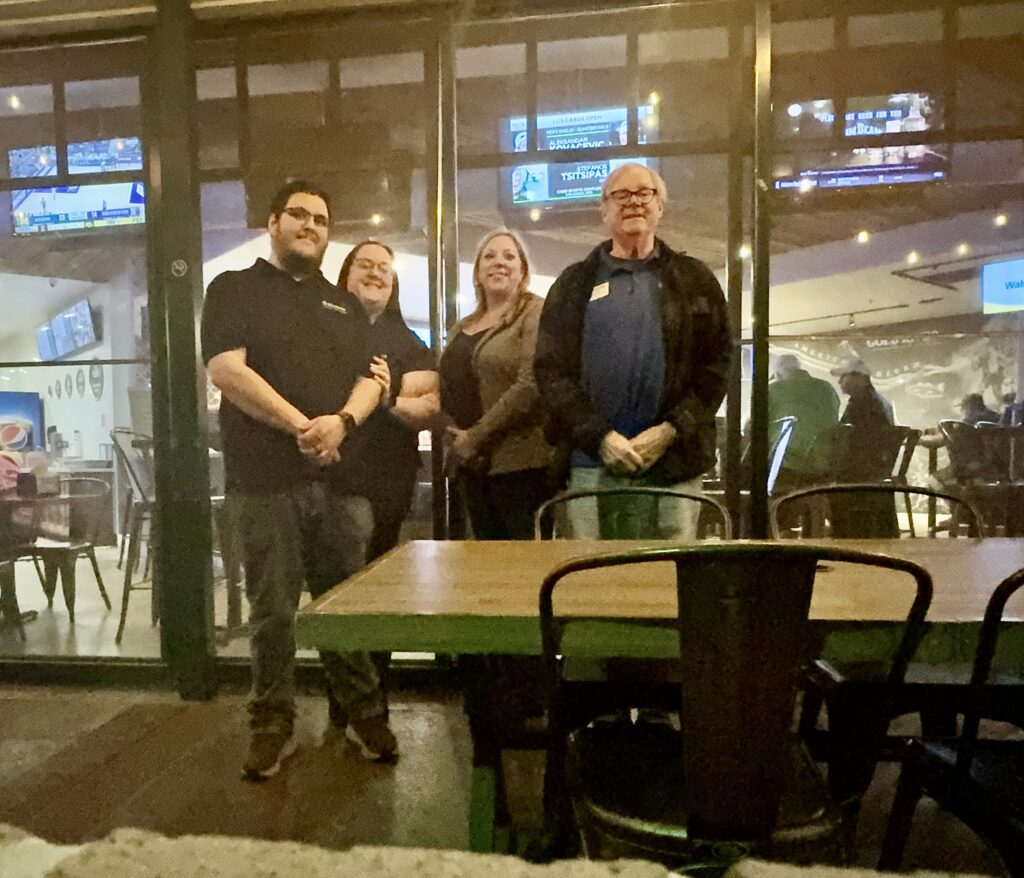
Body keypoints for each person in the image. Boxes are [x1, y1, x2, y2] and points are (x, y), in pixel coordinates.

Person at [201, 179, 397, 781]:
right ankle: (272, 724)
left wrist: (342, 422)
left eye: (321, 219)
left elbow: (373, 380)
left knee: (344, 611)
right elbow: (226, 371)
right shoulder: (232, 288)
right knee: (273, 614)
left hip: (337, 483)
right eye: (299, 215)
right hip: (264, 482)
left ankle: (364, 715)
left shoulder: (343, 304)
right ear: (273, 222)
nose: (311, 225)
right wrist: (303, 428)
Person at [534, 162, 731, 539]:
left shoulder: (695, 280)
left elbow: (717, 366)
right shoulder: (574, 283)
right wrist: (599, 438)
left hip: (675, 464)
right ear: (604, 210)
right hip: (590, 463)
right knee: (586, 570)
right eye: (620, 195)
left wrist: (670, 430)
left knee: (669, 572)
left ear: (660, 206)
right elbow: (550, 371)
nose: (633, 202)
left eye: (644, 193)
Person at [439, 229, 554, 540]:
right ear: (477, 272)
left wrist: (474, 437)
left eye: (509, 256)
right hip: (471, 468)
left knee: (523, 563)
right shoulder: (462, 326)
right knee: (484, 561)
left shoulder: (535, 311)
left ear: (523, 271)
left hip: (521, 466)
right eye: (489, 256)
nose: (498, 262)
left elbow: (530, 384)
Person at [334, 240, 439, 562]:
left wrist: (388, 398)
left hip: (391, 478)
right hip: (333, 479)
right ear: (346, 274)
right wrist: (401, 390)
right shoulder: (322, 332)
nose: (375, 274)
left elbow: (430, 406)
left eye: (384, 269)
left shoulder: (410, 343)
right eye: (365, 265)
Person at [767, 353, 840, 488]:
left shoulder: (772, 390)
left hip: (788, 465)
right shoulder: (827, 388)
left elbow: (754, 426)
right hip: (824, 464)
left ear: (778, 373)